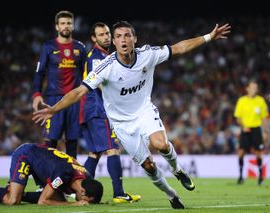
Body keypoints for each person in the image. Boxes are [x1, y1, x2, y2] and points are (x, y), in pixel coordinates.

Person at [33, 20, 231, 209]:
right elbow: (79, 91)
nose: (123, 40)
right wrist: (54, 109)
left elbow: (178, 48)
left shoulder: (148, 54)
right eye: (118, 36)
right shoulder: (105, 66)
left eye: (127, 35)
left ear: (134, 39)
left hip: (144, 111)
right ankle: (172, 195)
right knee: (149, 166)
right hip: (121, 124)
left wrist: (208, 37)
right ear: (114, 42)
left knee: (160, 144)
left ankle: (177, 170)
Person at [79, 22, 141, 203]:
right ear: (94, 38)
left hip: (90, 110)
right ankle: (119, 193)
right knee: (113, 149)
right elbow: (97, 83)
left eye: (107, 33)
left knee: (94, 153)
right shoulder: (97, 57)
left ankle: (77, 190)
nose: (106, 37)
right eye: (101, 34)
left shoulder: (105, 56)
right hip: (99, 109)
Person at [0, 143, 103, 206]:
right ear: (82, 191)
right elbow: (42, 202)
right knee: (12, 201)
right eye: (86, 200)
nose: (85, 202)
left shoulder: (86, 177)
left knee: (58, 197)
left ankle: (7, 193)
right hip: (26, 155)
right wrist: (75, 204)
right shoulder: (63, 174)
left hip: (41, 158)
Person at [32, 10, 87, 158]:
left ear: (73, 26)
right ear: (57, 26)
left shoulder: (80, 48)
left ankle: (72, 178)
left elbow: (86, 76)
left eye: (69, 23)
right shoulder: (48, 47)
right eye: (63, 23)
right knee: (51, 142)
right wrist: (37, 94)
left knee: (72, 142)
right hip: (53, 100)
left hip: (74, 101)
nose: (66, 26)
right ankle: (47, 178)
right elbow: (39, 72)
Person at [234, 80, 269, 185]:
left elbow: (264, 118)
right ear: (247, 88)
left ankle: (260, 177)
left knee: (259, 153)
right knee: (241, 152)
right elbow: (238, 118)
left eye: (256, 88)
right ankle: (240, 176)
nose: (254, 89)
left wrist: (266, 132)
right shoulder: (242, 100)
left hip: (256, 129)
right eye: (252, 87)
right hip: (246, 129)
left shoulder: (261, 101)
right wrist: (243, 127)